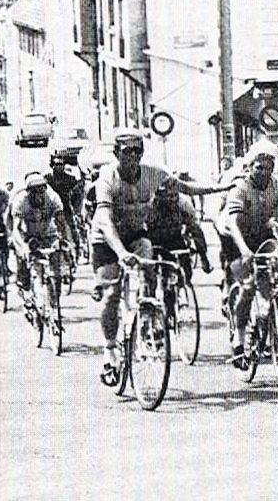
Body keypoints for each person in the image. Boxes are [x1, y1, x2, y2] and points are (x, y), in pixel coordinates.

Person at [92, 129, 228, 386]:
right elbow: (105, 221)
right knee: (111, 296)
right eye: (126, 152)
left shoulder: (154, 174)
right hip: (106, 240)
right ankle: (109, 350)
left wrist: (220, 187)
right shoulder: (107, 178)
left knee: (149, 271)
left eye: (137, 151)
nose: (132, 157)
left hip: (136, 235)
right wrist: (121, 253)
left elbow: (187, 187)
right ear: (116, 154)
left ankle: (146, 315)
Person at [224, 138, 278, 369]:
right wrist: (244, 250)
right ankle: (238, 338)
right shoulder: (240, 187)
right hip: (234, 236)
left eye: (269, 167)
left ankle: (266, 317)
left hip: (261, 233)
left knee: (273, 271)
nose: (264, 171)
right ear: (250, 167)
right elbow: (232, 222)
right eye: (259, 167)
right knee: (248, 286)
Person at [10, 173, 70, 293]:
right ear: (28, 192)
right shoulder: (21, 200)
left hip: (48, 234)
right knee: (24, 263)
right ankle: (25, 289)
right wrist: (23, 247)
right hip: (27, 235)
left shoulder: (53, 198)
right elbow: (16, 228)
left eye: (41, 190)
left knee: (56, 267)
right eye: (34, 191)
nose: (38, 194)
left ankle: (54, 298)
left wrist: (64, 240)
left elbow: (61, 222)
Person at [146, 178, 212, 278]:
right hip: (154, 240)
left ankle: (185, 282)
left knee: (186, 270)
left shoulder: (183, 204)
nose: (171, 199)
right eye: (166, 195)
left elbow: (195, 229)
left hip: (174, 238)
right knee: (149, 274)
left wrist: (203, 256)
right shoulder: (149, 206)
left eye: (174, 195)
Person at [44, 155, 84, 254]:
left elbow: (77, 194)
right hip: (51, 209)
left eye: (61, 164)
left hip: (65, 207)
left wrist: (76, 209)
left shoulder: (70, 178)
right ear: (52, 165)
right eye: (56, 164)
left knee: (72, 228)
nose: (59, 167)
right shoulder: (47, 179)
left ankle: (78, 249)